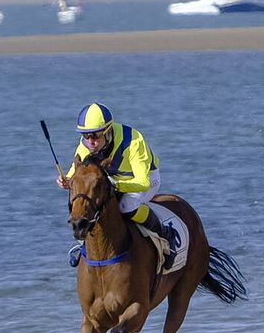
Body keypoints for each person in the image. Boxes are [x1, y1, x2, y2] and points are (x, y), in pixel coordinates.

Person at [56, 101, 180, 267]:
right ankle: (83, 244)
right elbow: (75, 173)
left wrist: (113, 185)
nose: (90, 141)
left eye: (96, 135)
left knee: (125, 205)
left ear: (108, 132)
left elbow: (143, 182)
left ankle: (165, 233)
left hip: (145, 179)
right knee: (85, 201)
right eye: (86, 136)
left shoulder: (133, 141)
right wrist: (67, 181)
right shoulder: (86, 144)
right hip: (109, 180)